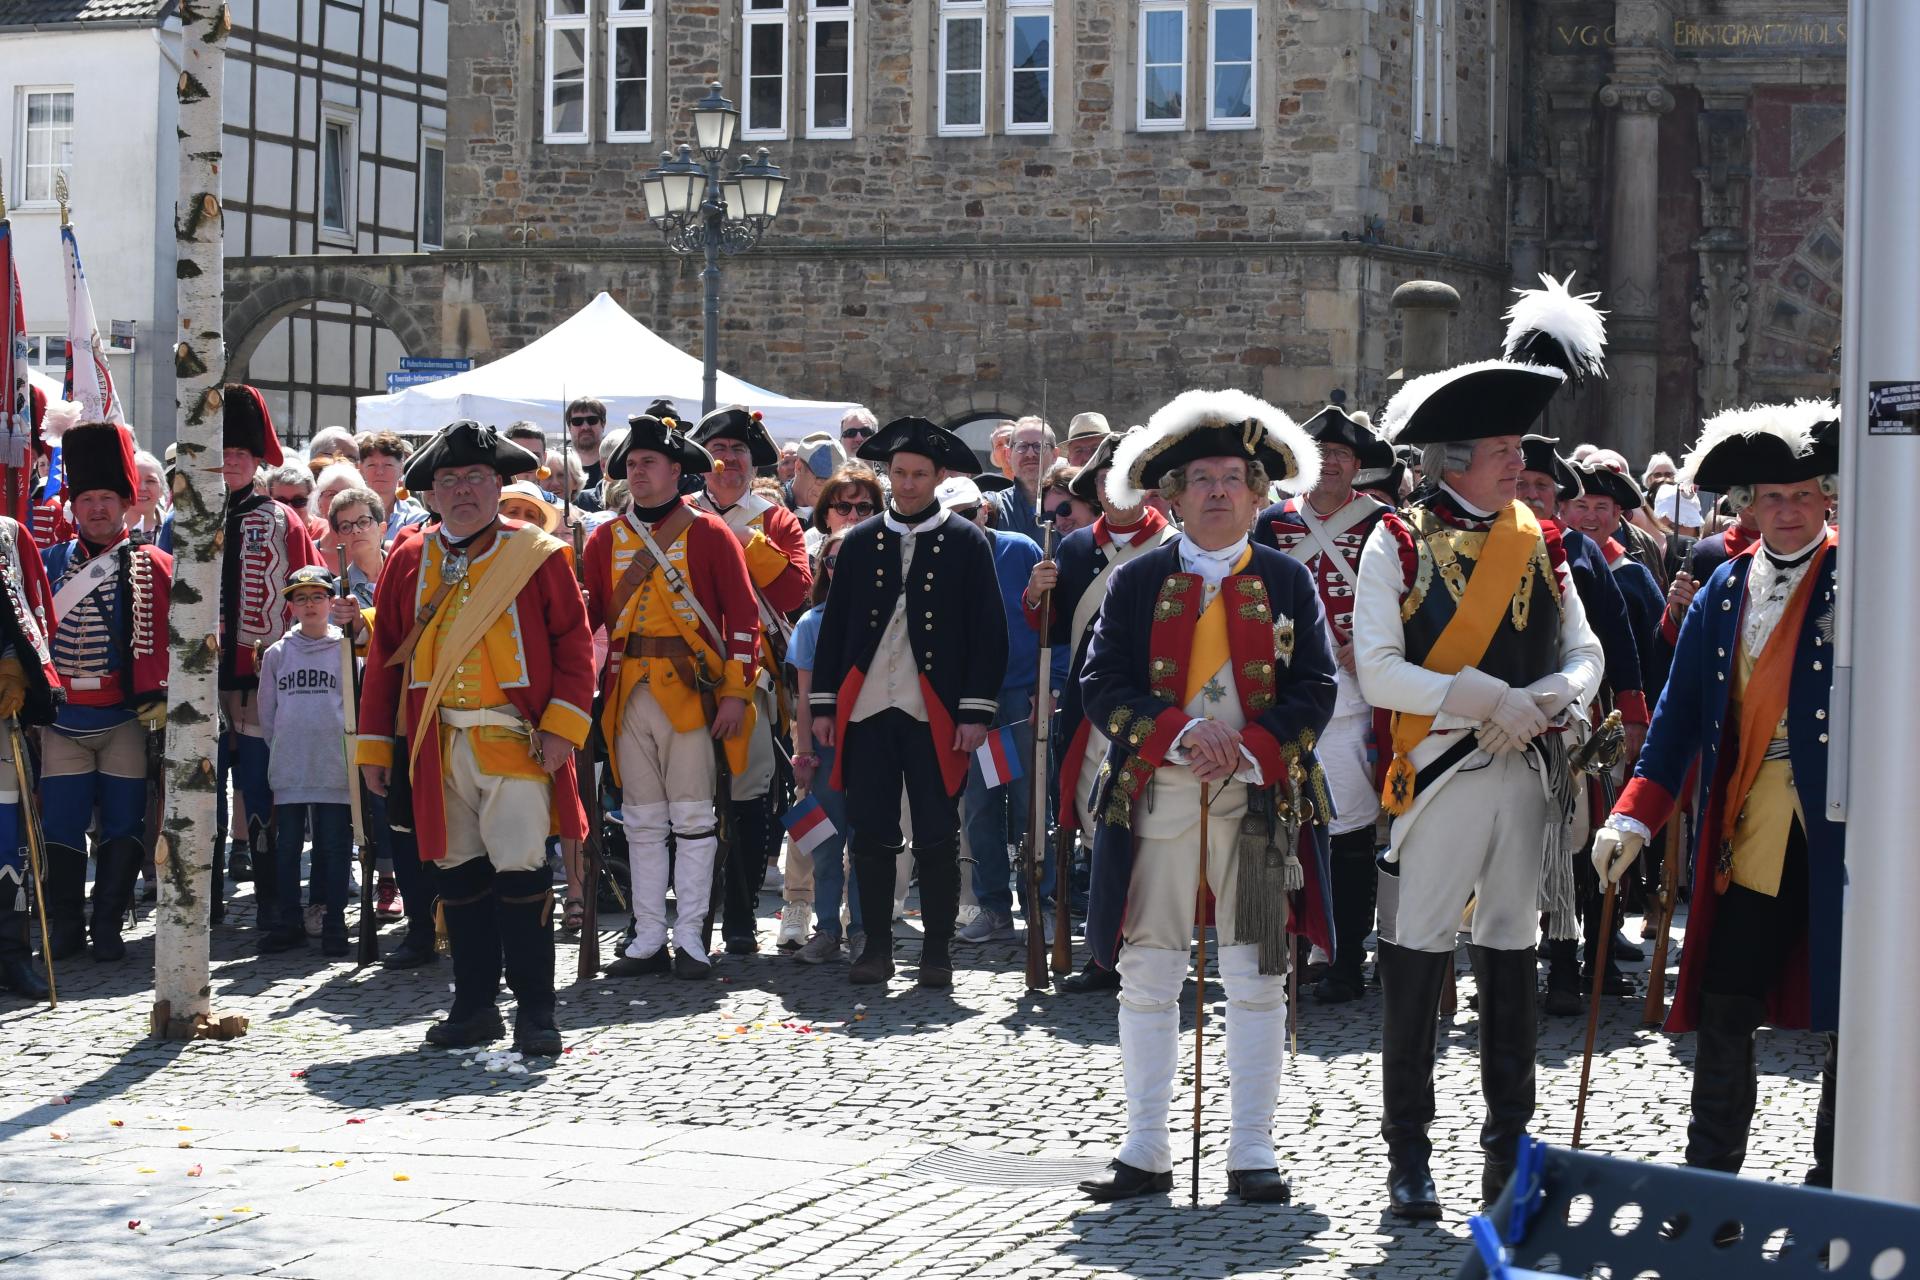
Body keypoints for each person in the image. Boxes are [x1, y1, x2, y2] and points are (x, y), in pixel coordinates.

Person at [1355, 345, 1603, 1219]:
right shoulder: (1395, 539)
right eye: (1505, 446)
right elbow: (1379, 671)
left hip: (1524, 769)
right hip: (1443, 773)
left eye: (1520, 446)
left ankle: (1508, 1153)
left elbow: (1585, 651)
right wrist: (1483, 698)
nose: (1523, 461)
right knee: (1417, 956)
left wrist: (1546, 700)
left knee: (1511, 954)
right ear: (1454, 456)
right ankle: (1408, 1158)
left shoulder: (1542, 540)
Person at [1075, 389, 1338, 1204]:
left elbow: (1316, 688)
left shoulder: (1289, 581)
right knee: (1149, 971)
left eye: (1235, 478)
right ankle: (1146, 1148)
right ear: (1174, 496)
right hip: (1154, 803)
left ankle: (1252, 1152)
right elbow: (1101, 684)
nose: (1219, 491)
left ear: (1261, 496)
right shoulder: (1137, 579)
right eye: (1202, 479)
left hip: (1258, 813)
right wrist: (1183, 735)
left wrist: (1252, 750)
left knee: (1257, 974)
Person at [1594, 400, 1842, 1188]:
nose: (1791, 511)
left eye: (1804, 496)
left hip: (1848, 836)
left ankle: (1836, 1189)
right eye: (1774, 497)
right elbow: (1677, 721)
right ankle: (1712, 1186)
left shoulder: (1868, 579)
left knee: (1855, 1018)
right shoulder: (1724, 590)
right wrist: (1633, 812)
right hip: (1750, 830)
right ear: (1749, 506)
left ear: (1827, 499)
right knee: (1729, 1004)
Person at [356, 421, 593, 1054]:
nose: (464, 491)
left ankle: (537, 1013)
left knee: (521, 874)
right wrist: (377, 745)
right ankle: (474, 1006)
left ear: (498, 485)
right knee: (456, 877)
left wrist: (562, 729)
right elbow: (385, 658)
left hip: (515, 740)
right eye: (450, 480)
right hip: (435, 746)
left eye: (477, 479)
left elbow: (573, 645)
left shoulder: (536, 553)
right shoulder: (410, 556)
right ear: (431, 494)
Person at [810, 417, 1007, 988]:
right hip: (868, 707)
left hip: (936, 710)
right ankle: (874, 946)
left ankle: (937, 953)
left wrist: (974, 714)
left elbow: (987, 634)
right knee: (871, 833)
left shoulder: (968, 542)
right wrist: (824, 706)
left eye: (920, 474)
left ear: (939, 476)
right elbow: (835, 629)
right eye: (899, 473)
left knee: (938, 834)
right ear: (888, 473)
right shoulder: (861, 541)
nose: (909, 483)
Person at [585, 414, 760, 981]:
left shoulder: (708, 533)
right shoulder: (604, 538)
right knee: (640, 820)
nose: (637, 472)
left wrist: (734, 694)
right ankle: (647, 936)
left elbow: (742, 619)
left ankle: (690, 936)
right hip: (625, 691)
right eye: (631, 464)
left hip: (690, 692)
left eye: (648, 463)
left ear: (676, 470)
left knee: (691, 815)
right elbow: (588, 622)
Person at [1252, 404, 1398, 1005]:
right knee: (1273, 826)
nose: (1330, 465)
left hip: (1352, 699)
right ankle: (1279, 951)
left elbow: (1407, 600)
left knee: (1348, 829)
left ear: (1357, 466)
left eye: (1341, 456)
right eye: (1321, 455)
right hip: (1281, 696)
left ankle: (1342, 956)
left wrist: (1373, 650)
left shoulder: (1384, 524)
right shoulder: (1271, 523)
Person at [1024, 428, 1176, 995]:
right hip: (1093, 709)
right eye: (1109, 482)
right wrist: (1037, 594)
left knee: (1155, 828)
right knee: (1096, 827)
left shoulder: (1171, 546)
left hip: (1158, 707)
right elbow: (1055, 631)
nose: (1119, 492)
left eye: (1130, 481)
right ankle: (1105, 952)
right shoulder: (1073, 548)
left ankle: (1154, 945)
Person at [1514, 437, 1650, 1015]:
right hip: (1501, 721)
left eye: (1541, 487)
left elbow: (1616, 638)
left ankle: (1576, 963)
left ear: (1558, 498)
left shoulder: (1580, 552)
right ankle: (1513, 962)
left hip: (1577, 726)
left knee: (1578, 846)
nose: (1530, 495)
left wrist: (1633, 711)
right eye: (1521, 485)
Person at [35, 421, 167, 964]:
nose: (96, 508)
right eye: (86, 498)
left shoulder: (153, 564)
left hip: (123, 721)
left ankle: (109, 921)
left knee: (123, 825)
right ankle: (66, 924)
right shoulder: (48, 564)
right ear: (74, 505)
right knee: (61, 826)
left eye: (106, 498)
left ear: (125, 503)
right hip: (64, 720)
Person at [689, 406, 814, 953]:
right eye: (717, 451)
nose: (728, 461)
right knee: (684, 803)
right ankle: (687, 919)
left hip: (753, 675)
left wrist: (741, 537)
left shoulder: (775, 520)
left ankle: (739, 919)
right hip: (683, 671)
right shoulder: (678, 515)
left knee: (748, 795)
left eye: (738, 452)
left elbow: (793, 593)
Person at [217, 386, 323, 927]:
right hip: (204, 685)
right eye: (223, 450)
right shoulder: (187, 519)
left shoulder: (283, 519)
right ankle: (202, 907)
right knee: (202, 797)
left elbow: (306, 594)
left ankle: (272, 907)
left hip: (260, 683)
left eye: (241, 452)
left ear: (257, 459)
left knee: (262, 790)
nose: (231, 459)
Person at [949, 476, 1045, 946]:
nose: (962, 523)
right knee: (980, 809)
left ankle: (1038, 907)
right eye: (953, 516)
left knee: (1030, 806)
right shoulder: (942, 552)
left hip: (1022, 694)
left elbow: (1052, 619)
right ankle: (992, 907)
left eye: (969, 513)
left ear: (985, 510)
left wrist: (1049, 684)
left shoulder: (1021, 547)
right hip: (970, 701)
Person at [257, 566, 356, 957]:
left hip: (333, 764)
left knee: (333, 846)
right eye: (301, 598)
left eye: (318, 596)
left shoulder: (347, 650)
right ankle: (288, 921)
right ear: (291, 607)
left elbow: (355, 707)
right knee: (287, 847)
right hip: (292, 765)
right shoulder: (277, 654)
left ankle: (333, 920)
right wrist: (281, 747)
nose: (310, 604)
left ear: (332, 602)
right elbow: (269, 711)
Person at [788, 531, 862, 963]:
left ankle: (865, 930)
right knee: (826, 844)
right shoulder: (811, 623)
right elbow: (803, 696)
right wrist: (804, 752)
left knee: (869, 842)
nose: (839, 569)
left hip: (870, 745)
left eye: (847, 560)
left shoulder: (883, 617)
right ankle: (828, 929)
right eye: (832, 562)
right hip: (826, 748)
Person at [0, 501, 60, 997]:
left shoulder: (9, 535)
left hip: (0, 710)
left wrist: (18, 667)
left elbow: (33, 611)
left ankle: (12, 954)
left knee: (7, 837)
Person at [988, 416, 1057, 544]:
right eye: (1022, 446)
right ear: (1008, 455)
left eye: (1039, 446)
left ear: (1055, 455)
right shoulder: (993, 506)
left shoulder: (1074, 506)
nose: (1030, 454)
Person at [808, 466, 883, 554]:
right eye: (843, 507)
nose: (853, 517)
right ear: (826, 517)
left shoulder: (890, 558)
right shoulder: (808, 562)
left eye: (863, 507)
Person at [566, 397, 608, 489]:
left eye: (592, 420)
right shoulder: (558, 462)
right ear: (569, 427)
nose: (585, 427)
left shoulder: (615, 461)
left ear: (603, 423)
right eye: (577, 421)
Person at [130, 450, 169, 539]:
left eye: (150, 481)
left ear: (161, 490)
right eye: (135, 480)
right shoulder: (106, 528)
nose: (142, 488)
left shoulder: (175, 528)